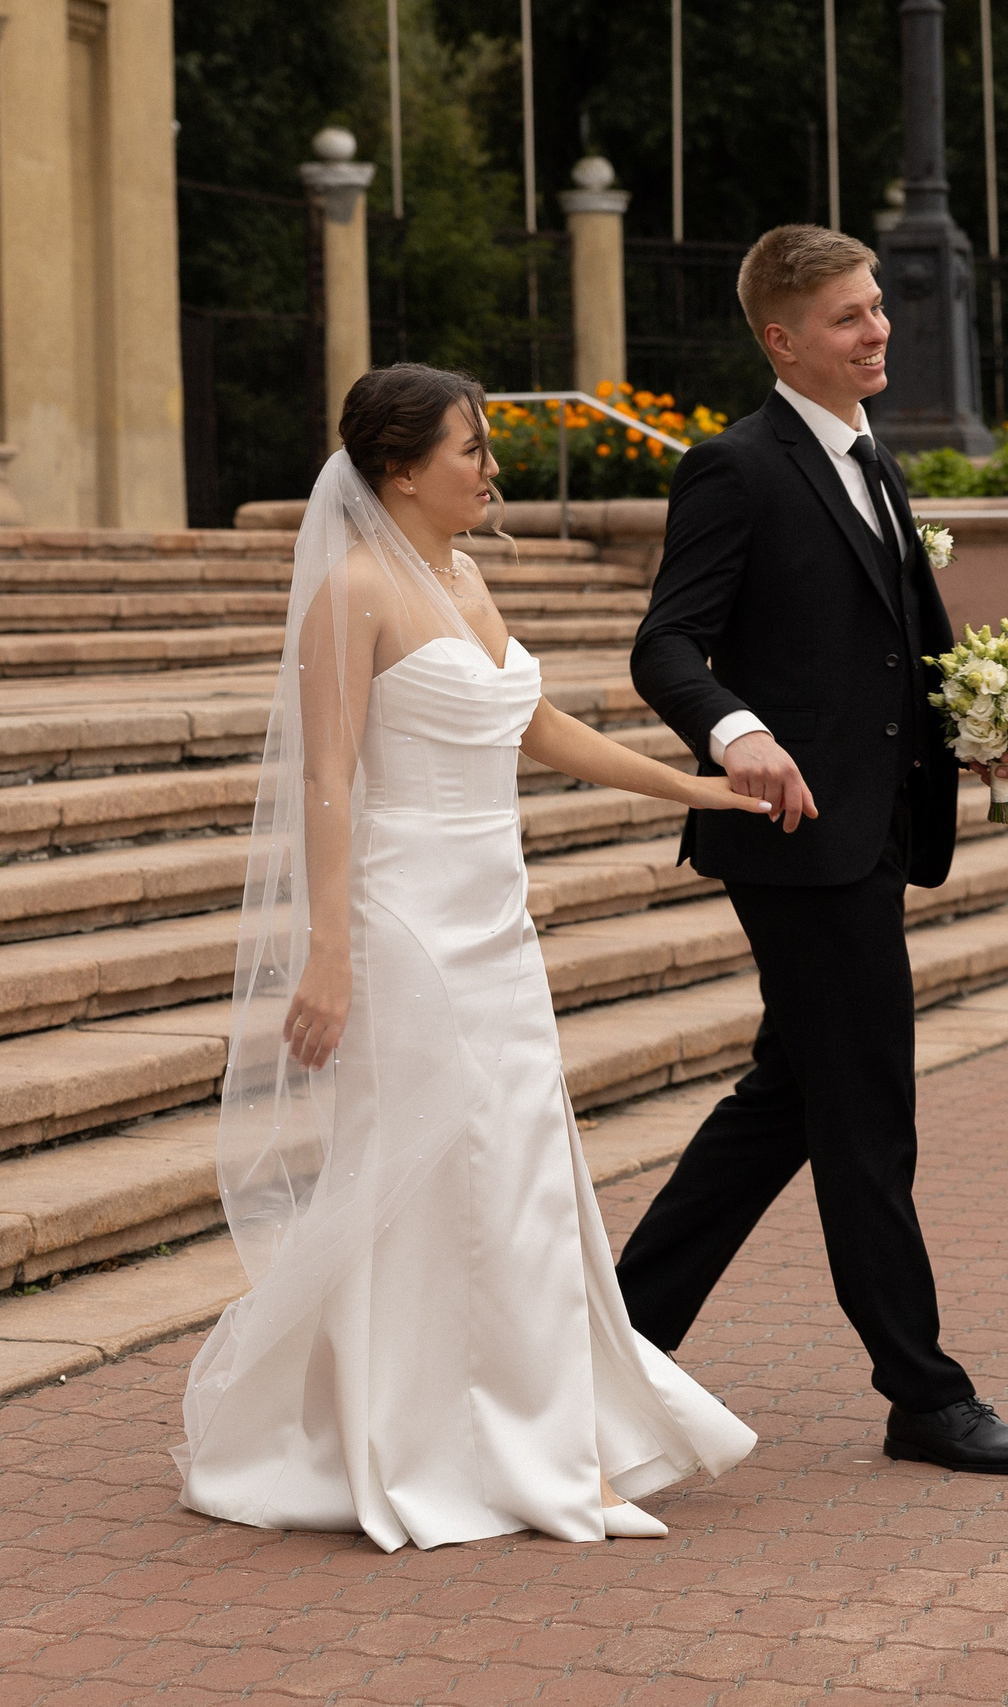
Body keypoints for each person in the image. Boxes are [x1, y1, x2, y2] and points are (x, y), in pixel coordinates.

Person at [175, 364, 767, 1549]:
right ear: (399, 468)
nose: (490, 468)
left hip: (497, 916)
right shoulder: (349, 590)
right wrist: (328, 951)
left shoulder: (461, 575)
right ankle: (432, 1439)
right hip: (406, 917)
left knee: (524, 1172)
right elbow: (324, 780)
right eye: (469, 450)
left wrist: (693, 784)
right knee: (439, 1169)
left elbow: (535, 726)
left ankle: (543, 1434)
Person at [614, 226, 1008, 1475]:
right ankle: (923, 1393)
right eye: (850, 317)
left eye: (876, 308)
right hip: (793, 838)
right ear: (780, 339)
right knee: (866, 1113)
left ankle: (616, 1331)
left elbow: (876, 654)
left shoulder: (875, 461)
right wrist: (737, 733)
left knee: (794, 1100)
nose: (879, 331)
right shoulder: (735, 467)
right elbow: (666, 647)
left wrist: (969, 729)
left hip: (871, 830)